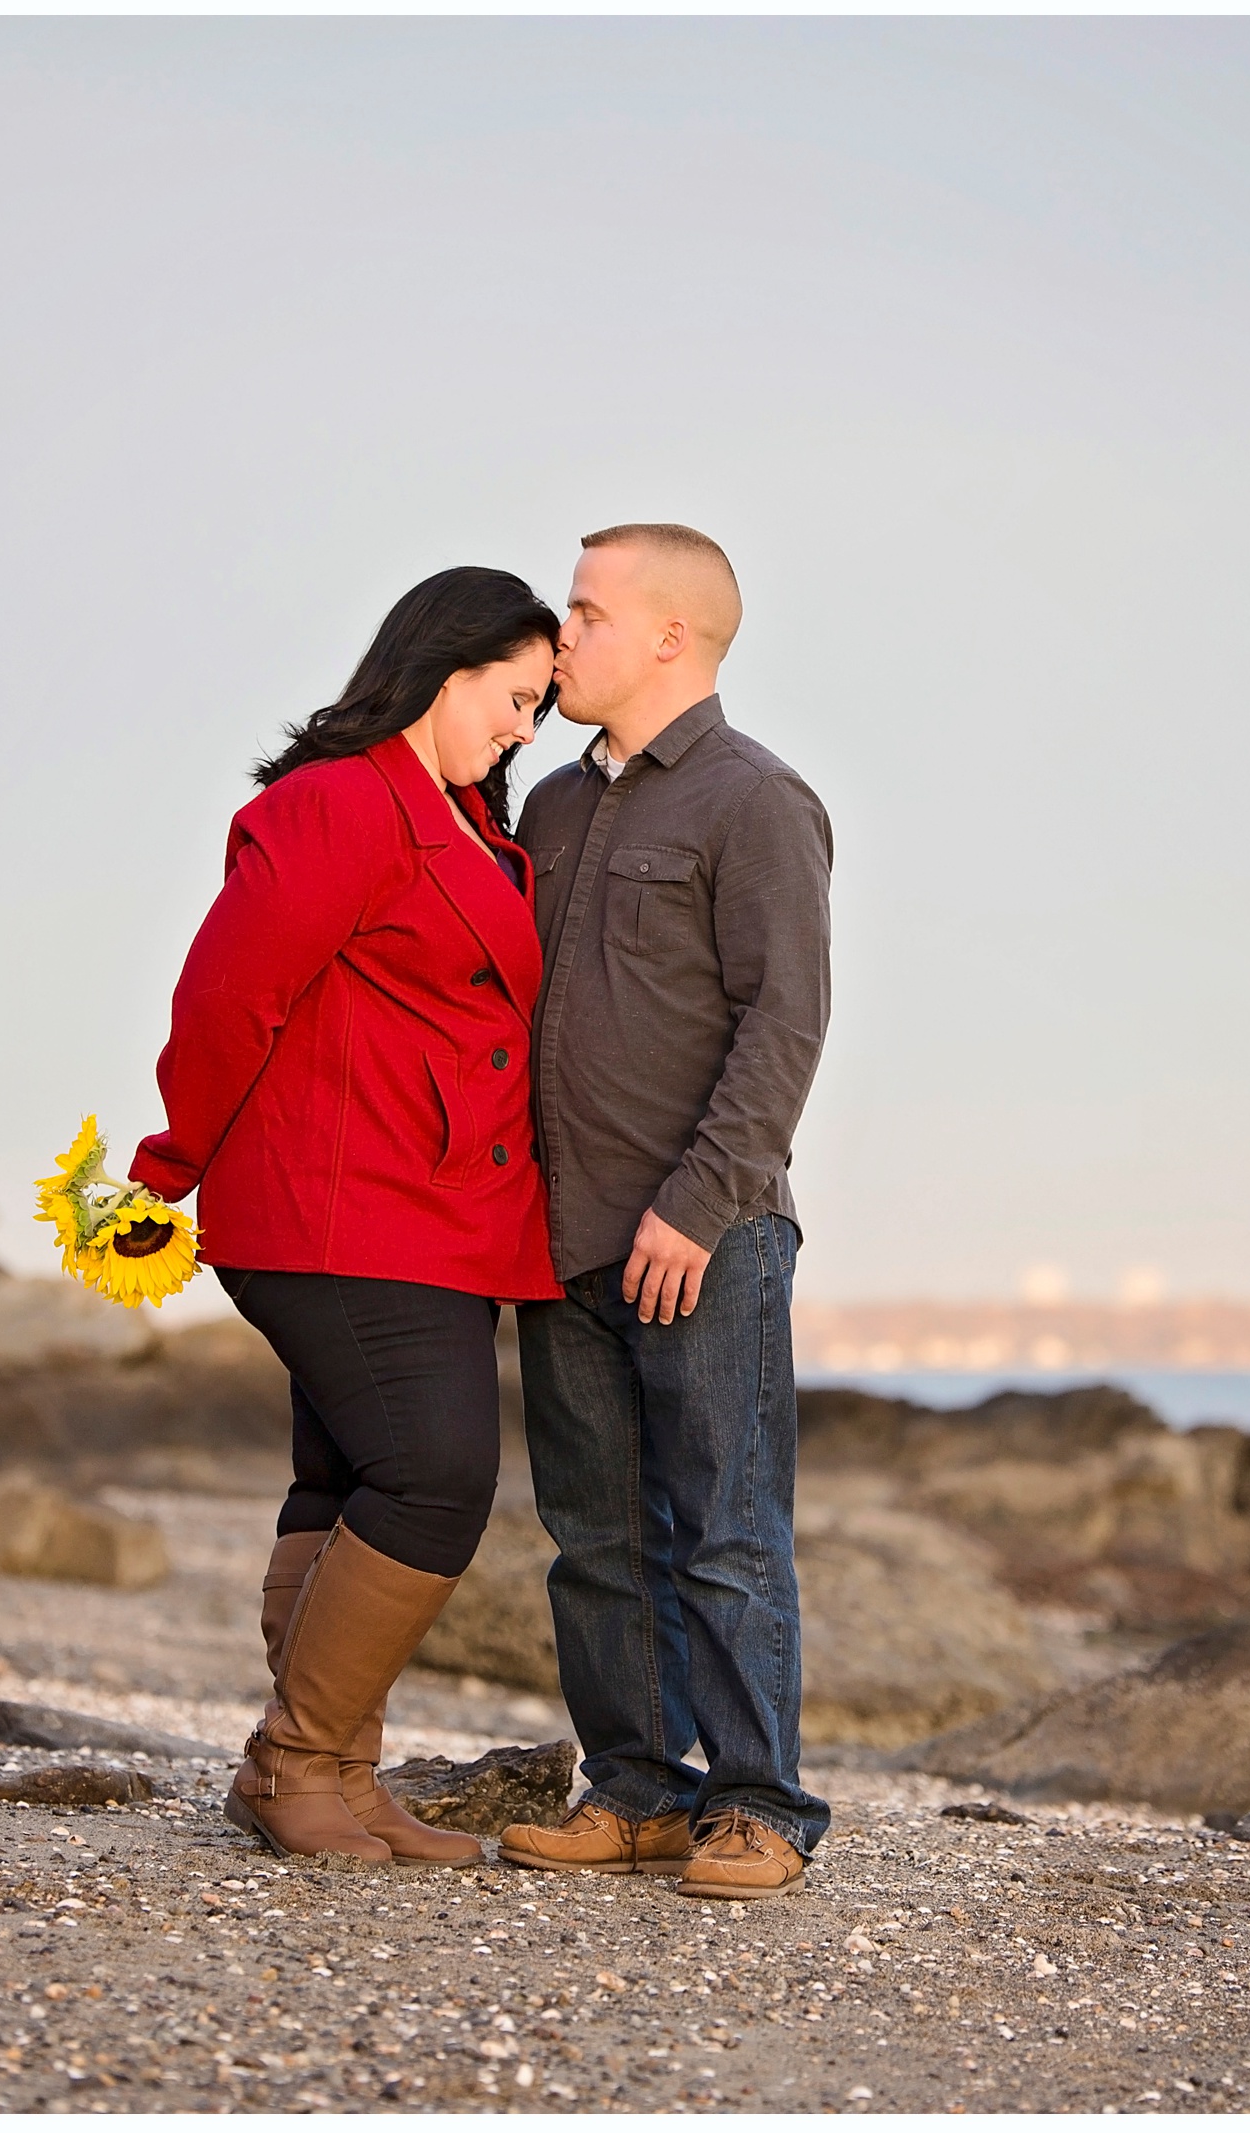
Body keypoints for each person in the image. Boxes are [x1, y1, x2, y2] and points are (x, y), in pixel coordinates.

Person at [127, 566, 562, 1866]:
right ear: (442, 664)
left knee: (352, 1475)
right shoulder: (334, 806)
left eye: (544, 706)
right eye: (515, 696)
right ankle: (293, 1764)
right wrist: (165, 1168)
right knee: (434, 1475)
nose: (526, 729)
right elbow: (227, 995)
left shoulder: (473, 830)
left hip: (427, 1206)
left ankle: (346, 1778)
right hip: (333, 1205)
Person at [496, 524, 836, 1900]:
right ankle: (636, 1788)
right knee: (594, 1533)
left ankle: (758, 1806)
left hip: (709, 1236)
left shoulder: (759, 801)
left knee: (726, 1528)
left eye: (583, 613)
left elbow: (787, 1023)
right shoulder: (554, 808)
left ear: (669, 639)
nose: (557, 636)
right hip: (559, 1233)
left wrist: (693, 1209)